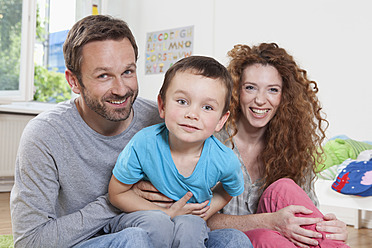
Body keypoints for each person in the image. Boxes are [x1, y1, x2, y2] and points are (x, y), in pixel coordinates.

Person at [9, 15, 250, 248]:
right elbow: (30, 242)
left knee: (234, 241)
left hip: (167, 229)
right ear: (73, 81)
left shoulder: (169, 119)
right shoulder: (45, 135)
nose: (121, 89)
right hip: (91, 239)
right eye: (103, 75)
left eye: (128, 72)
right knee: (134, 240)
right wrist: (124, 199)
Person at [205, 43, 350, 247]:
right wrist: (269, 222)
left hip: (278, 240)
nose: (261, 100)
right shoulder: (212, 140)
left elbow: (306, 213)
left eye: (272, 90)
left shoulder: (292, 146)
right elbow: (198, 219)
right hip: (229, 241)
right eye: (250, 88)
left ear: (284, 97)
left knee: (284, 188)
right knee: (265, 236)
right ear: (236, 92)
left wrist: (332, 229)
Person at [108, 56, 250, 248]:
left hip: (189, 225)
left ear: (220, 121)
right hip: (143, 218)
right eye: (182, 101)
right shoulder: (145, 144)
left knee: (191, 224)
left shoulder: (224, 160)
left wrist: (206, 210)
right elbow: (117, 193)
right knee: (159, 223)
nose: (192, 114)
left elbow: (229, 191)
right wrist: (166, 213)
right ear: (162, 106)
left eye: (207, 107)